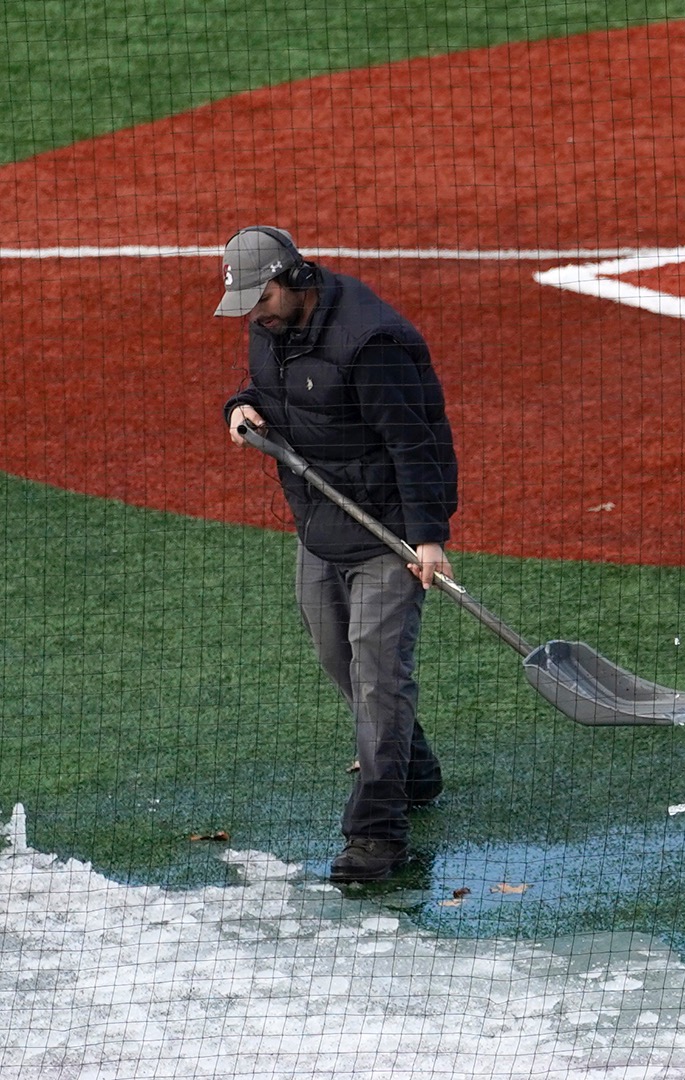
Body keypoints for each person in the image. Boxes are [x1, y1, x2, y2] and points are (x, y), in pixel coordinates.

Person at [217, 225, 458, 883]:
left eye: (260, 297)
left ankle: (376, 836)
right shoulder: (272, 325)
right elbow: (267, 388)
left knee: (380, 675)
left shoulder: (370, 343)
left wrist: (428, 537)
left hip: (387, 531)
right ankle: (414, 769)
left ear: (293, 278)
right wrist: (240, 406)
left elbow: (417, 443)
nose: (255, 314)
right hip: (321, 523)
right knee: (337, 654)